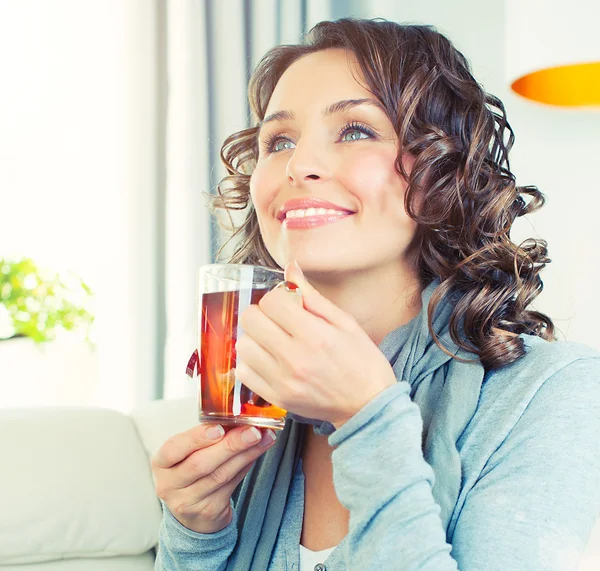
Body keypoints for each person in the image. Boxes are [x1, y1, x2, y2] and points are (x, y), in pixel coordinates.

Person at [152, 18, 600, 570]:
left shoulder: (556, 391)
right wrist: (197, 533)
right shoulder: (258, 399)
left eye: (355, 130)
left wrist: (366, 415)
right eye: (279, 141)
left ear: (443, 170)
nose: (300, 166)